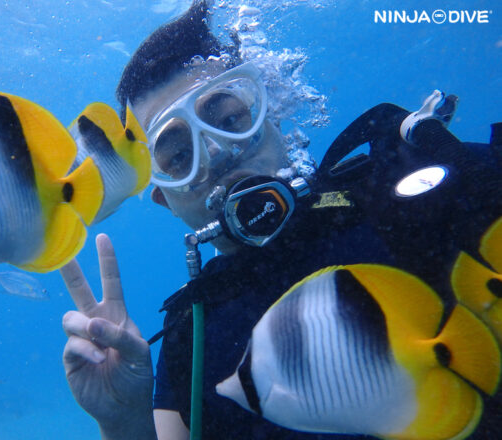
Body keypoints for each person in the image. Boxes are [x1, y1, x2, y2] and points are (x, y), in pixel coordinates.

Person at [61, 1, 502, 439]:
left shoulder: (425, 196)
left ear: (270, 116)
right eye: (179, 156)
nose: (217, 153)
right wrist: (123, 420)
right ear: (165, 200)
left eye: (230, 119)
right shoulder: (190, 334)